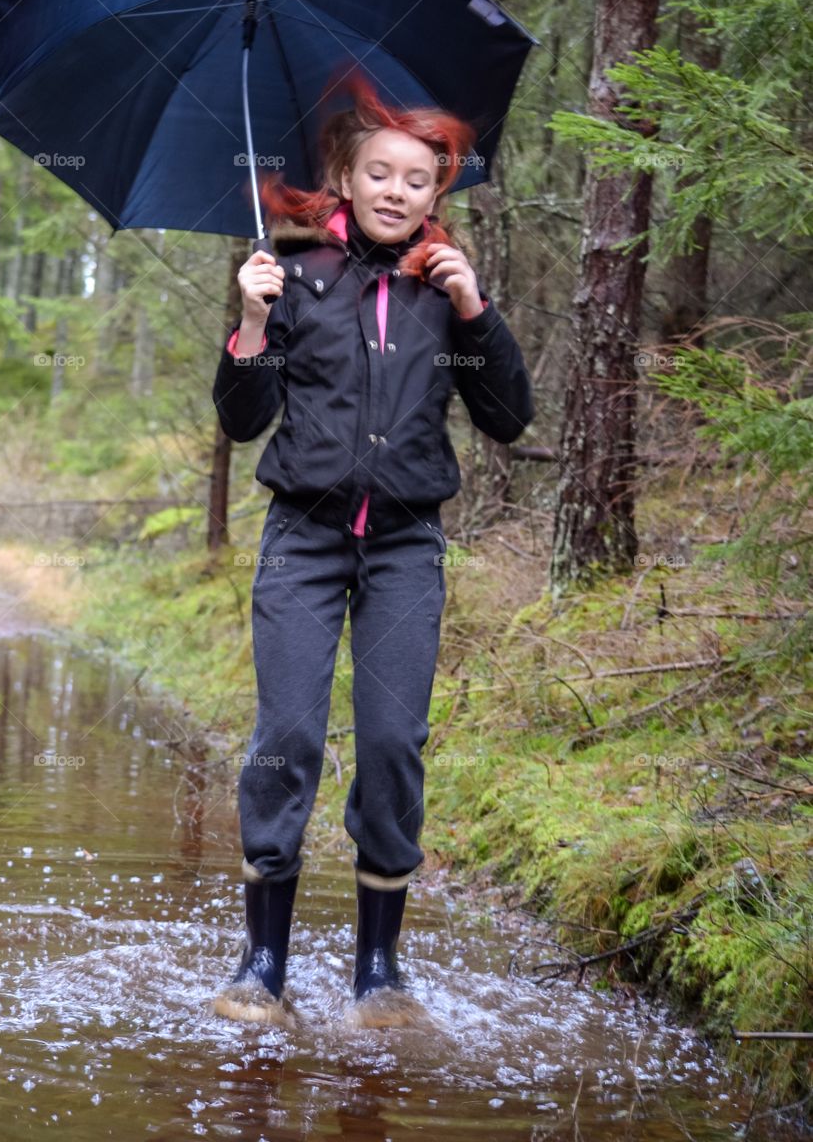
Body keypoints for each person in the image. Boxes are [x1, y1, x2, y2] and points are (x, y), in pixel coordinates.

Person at [211, 74, 534, 1030]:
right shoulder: (294, 276)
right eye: (378, 174)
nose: (396, 191)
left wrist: (475, 307)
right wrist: (254, 323)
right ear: (344, 181)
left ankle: (378, 976)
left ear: (437, 194)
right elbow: (242, 422)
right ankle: (261, 966)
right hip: (302, 542)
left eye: (417, 179)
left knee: (392, 746)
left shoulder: (443, 293)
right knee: (287, 742)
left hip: (403, 547)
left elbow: (507, 416)